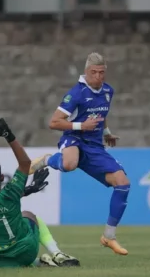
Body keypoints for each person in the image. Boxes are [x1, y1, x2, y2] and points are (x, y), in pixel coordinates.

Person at [29, 52, 130, 256]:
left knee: (123, 183)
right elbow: (54, 122)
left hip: (94, 146)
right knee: (69, 164)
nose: (99, 76)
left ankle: (109, 236)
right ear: (86, 72)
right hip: (74, 139)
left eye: (102, 72)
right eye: (95, 72)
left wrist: (107, 133)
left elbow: (102, 115)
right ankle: (48, 160)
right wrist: (81, 125)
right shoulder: (76, 93)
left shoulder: (108, 91)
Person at [0, 118, 80, 268]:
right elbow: (25, 163)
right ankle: (56, 253)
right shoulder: (9, 193)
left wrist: (28, 190)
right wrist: (8, 135)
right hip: (25, 252)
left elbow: (1, 199)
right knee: (28, 214)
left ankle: (39, 263)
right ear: (2, 178)